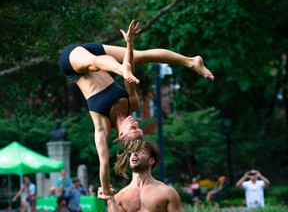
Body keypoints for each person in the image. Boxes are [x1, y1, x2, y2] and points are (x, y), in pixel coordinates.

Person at [59, 19, 214, 195]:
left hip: (73, 63)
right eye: (139, 127)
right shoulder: (132, 104)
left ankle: (119, 69)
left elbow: (103, 162)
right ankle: (191, 62)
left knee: (94, 63)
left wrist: (106, 188)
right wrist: (130, 44)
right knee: (139, 57)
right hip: (104, 60)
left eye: (133, 128)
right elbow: (130, 70)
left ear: (121, 134)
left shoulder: (102, 124)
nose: (136, 122)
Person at [98, 141, 183, 212]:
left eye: (141, 152)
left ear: (151, 161)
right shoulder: (120, 197)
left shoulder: (167, 193)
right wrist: (110, 200)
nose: (134, 154)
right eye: (132, 152)